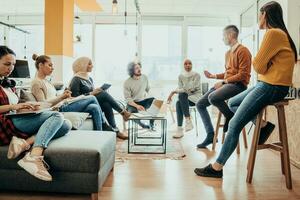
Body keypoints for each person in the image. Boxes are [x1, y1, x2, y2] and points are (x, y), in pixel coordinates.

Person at [194, 1, 298, 178]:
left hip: (271, 86)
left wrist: (265, 65)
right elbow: (263, 67)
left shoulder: (273, 33)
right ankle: (263, 126)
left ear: (265, 14)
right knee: (233, 103)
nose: (258, 18)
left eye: (259, 14)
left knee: (234, 123)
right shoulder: (280, 34)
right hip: (266, 84)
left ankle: (217, 167)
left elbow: (257, 66)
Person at [0, 46, 72, 181]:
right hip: (4, 123)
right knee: (57, 116)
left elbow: (14, 108)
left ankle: (24, 144)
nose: (11, 68)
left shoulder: (8, 83)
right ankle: (34, 156)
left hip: (15, 118)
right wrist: (14, 106)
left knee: (66, 124)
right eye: (7, 64)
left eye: (13, 64)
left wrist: (24, 109)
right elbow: (10, 107)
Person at [196, 25, 252, 148]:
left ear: (231, 35)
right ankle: (211, 135)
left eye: (223, 36)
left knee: (213, 97)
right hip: (228, 84)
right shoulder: (227, 53)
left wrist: (224, 82)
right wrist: (214, 76)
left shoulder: (243, 51)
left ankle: (230, 116)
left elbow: (243, 75)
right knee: (200, 104)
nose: (222, 39)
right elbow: (228, 73)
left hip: (239, 86)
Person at [30, 54, 105, 131]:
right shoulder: (36, 83)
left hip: (63, 104)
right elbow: (43, 105)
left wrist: (64, 95)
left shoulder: (47, 81)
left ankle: (99, 133)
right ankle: (104, 124)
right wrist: (62, 97)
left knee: (94, 107)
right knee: (92, 97)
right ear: (41, 65)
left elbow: (54, 97)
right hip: (57, 109)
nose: (53, 68)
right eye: (50, 65)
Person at [69, 57, 131, 140]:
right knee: (103, 94)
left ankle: (116, 130)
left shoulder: (89, 78)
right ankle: (123, 112)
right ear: (82, 65)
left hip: (91, 102)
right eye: (89, 64)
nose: (92, 66)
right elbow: (75, 98)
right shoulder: (75, 79)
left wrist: (95, 91)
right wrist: (91, 93)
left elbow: (92, 93)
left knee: (106, 104)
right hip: (81, 105)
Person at [167, 59, 202, 138]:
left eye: (190, 63)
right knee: (179, 101)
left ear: (192, 65)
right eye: (185, 64)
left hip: (195, 98)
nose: (188, 65)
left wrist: (173, 92)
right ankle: (186, 122)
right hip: (185, 99)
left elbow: (191, 88)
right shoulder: (181, 76)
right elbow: (181, 88)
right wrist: (180, 90)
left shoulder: (197, 75)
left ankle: (183, 125)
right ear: (183, 66)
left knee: (181, 96)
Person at [124, 61, 155, 129]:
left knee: (154, 101)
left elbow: (148, 89)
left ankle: (152, 124)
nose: (139, 69)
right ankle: (142, 125)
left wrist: (154, 97)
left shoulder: (144, 77)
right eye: (136, 68)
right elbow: (128, 99)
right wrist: (137, 106)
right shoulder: (127, 82)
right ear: (132, 71)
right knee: (132, 114)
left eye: (139, 67)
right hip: (132, 103)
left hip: (142, 101)